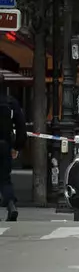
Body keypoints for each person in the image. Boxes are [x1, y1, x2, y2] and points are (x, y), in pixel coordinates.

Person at [0, 92, 26, 221]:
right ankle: (11, 205)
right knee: (5, 179)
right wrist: (17, 146)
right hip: (4, 145)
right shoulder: (10, 102)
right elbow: (21, 125)